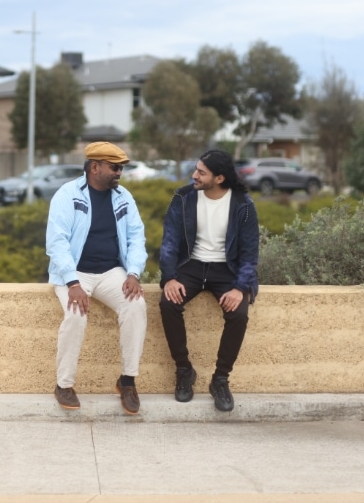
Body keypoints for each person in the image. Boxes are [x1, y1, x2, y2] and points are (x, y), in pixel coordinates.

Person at [46, 141, 148, 415]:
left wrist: (134, 273)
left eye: (121, 168)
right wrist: (72, 283)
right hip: (74, 273)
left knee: (136, 305)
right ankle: (63, 385)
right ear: (95, 167)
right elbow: (56, 242)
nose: (119, 173)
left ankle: (127, 382)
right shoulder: (67, 195)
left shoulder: (123, 196)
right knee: (76, 313)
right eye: (115, 167)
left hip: (110, 272)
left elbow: (136, 237)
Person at [158, 149, 259, 412]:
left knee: (238, 313)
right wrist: (169, 278)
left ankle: (220, 379)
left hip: (227, 269)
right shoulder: (183, 197)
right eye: (196, 169)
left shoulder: (244, 205)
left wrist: (239, 287)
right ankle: (184, 370)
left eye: (202, 172)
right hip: (189, 266)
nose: (195, 175)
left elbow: (250, 251)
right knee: (168, 303)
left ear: (220, 178)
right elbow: (169, 242)